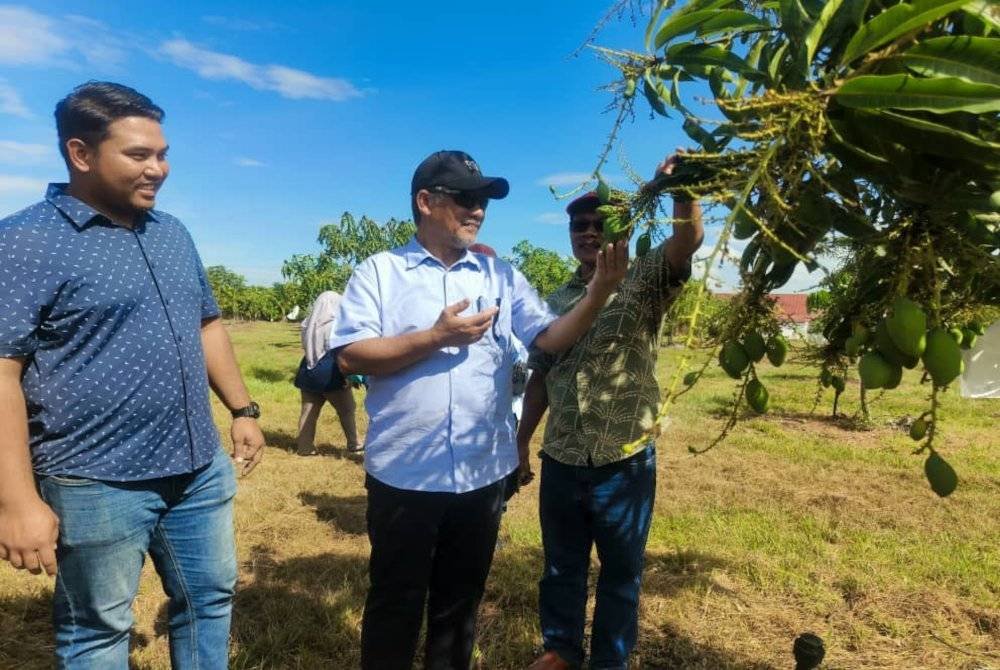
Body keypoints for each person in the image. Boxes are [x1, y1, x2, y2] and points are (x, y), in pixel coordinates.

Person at [0, 81, 266, 669]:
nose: (160, 169)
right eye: (140, 155)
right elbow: (2, 372)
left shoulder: (171, 233)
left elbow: (208, 325)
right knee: (97, 630)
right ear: (81, 153)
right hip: (95, 480)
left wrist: (243, 409)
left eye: (163, 154)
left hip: (197, 470)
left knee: (209, 600)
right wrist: (16, 501)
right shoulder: (23, 242)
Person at [329, 150, 628, 670]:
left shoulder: (500, 274)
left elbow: (549, 338)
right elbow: (352, 354)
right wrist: (434, 337)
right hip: (405, 476)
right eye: (465, 198)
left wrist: (599, 291)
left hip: (482, 475)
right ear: (426, 202)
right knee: (395, 603)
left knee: (458, 607)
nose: (478, 211)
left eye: (483, 201)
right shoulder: (381, 272)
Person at [518, 153, 704, 670]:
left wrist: (683, 189)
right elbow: (540, 376)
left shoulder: (644, 278)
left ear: (620, 228)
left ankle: (609, 661)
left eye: (599, 223)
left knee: (621, 573)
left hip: (623, 462)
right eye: (578, 225)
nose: (587, 232)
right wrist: (519, 443)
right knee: (560, 569)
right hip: (561, 457)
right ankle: (560, 650)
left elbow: (687, 241)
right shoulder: (553, 300)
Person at [294, 290, 363, 455]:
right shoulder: (335, 326)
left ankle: (304, 447)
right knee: (346, 409)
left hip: (308, 369)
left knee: (309, 411)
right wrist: (349, 376)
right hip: (330, 372)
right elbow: (342, 353)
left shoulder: (307, 324)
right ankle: (354, 443)